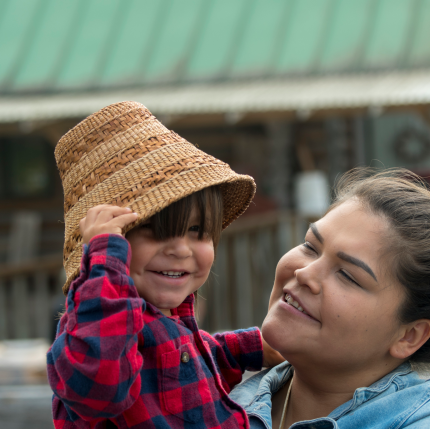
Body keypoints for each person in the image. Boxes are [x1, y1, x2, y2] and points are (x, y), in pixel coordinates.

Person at [230, 168, 430, 429]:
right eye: (310, 246)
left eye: (347, 275)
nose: (305, 273)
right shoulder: (219, 398)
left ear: (409, 335)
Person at [47, 101, 282, 429]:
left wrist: (251, 348)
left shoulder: (166, 318)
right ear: (112, 246)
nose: (180, 249)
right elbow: (101, 388)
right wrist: (103, 260)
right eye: (157, 233)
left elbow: (187, 366)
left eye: (197, 231)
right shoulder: (95, 324)